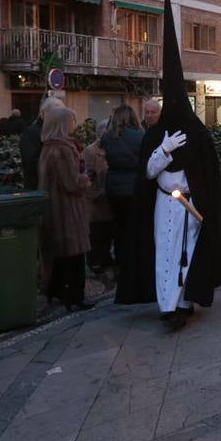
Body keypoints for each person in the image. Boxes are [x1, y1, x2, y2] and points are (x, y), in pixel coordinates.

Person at [116, 0, 221, 332]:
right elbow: (149, 173)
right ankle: (167, 306)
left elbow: (209, 174)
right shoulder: (156, 136)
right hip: (164, 204)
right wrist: (164, 151)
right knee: (164, 254)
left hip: (191, 206)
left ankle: (184, 301)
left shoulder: (199, 135)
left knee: (189, 254)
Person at [39, 106, 91, 312]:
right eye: (70, 121)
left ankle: (55, 290)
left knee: (60, 255)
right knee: (75, 255)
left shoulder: (47, 147)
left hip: (53, 207)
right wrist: (86, 178)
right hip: (67, 210)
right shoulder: (62, 149)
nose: (74, 125)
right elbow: (72, 183)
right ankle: (75, 296)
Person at [101, 105, 144, 271]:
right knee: (134, 227)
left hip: (113, 187)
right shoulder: (140, 136)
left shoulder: (107, 138)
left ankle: (120, 262)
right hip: (134, 186)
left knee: (118, 226)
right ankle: (133, 263)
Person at [83, 120, 113, 273]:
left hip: (109, 196)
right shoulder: (90, 150)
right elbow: (88, 173)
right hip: (96, 197)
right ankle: (95, 261)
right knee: (96, 231)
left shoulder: (113, 147)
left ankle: (105, 258)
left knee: (106, 230)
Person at [21, 96, 65, 190]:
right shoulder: (32, 132)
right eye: (58, 113)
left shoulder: (58, 131)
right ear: (45, 112)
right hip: (39, 190)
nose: (62, 117)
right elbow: (31, 163)